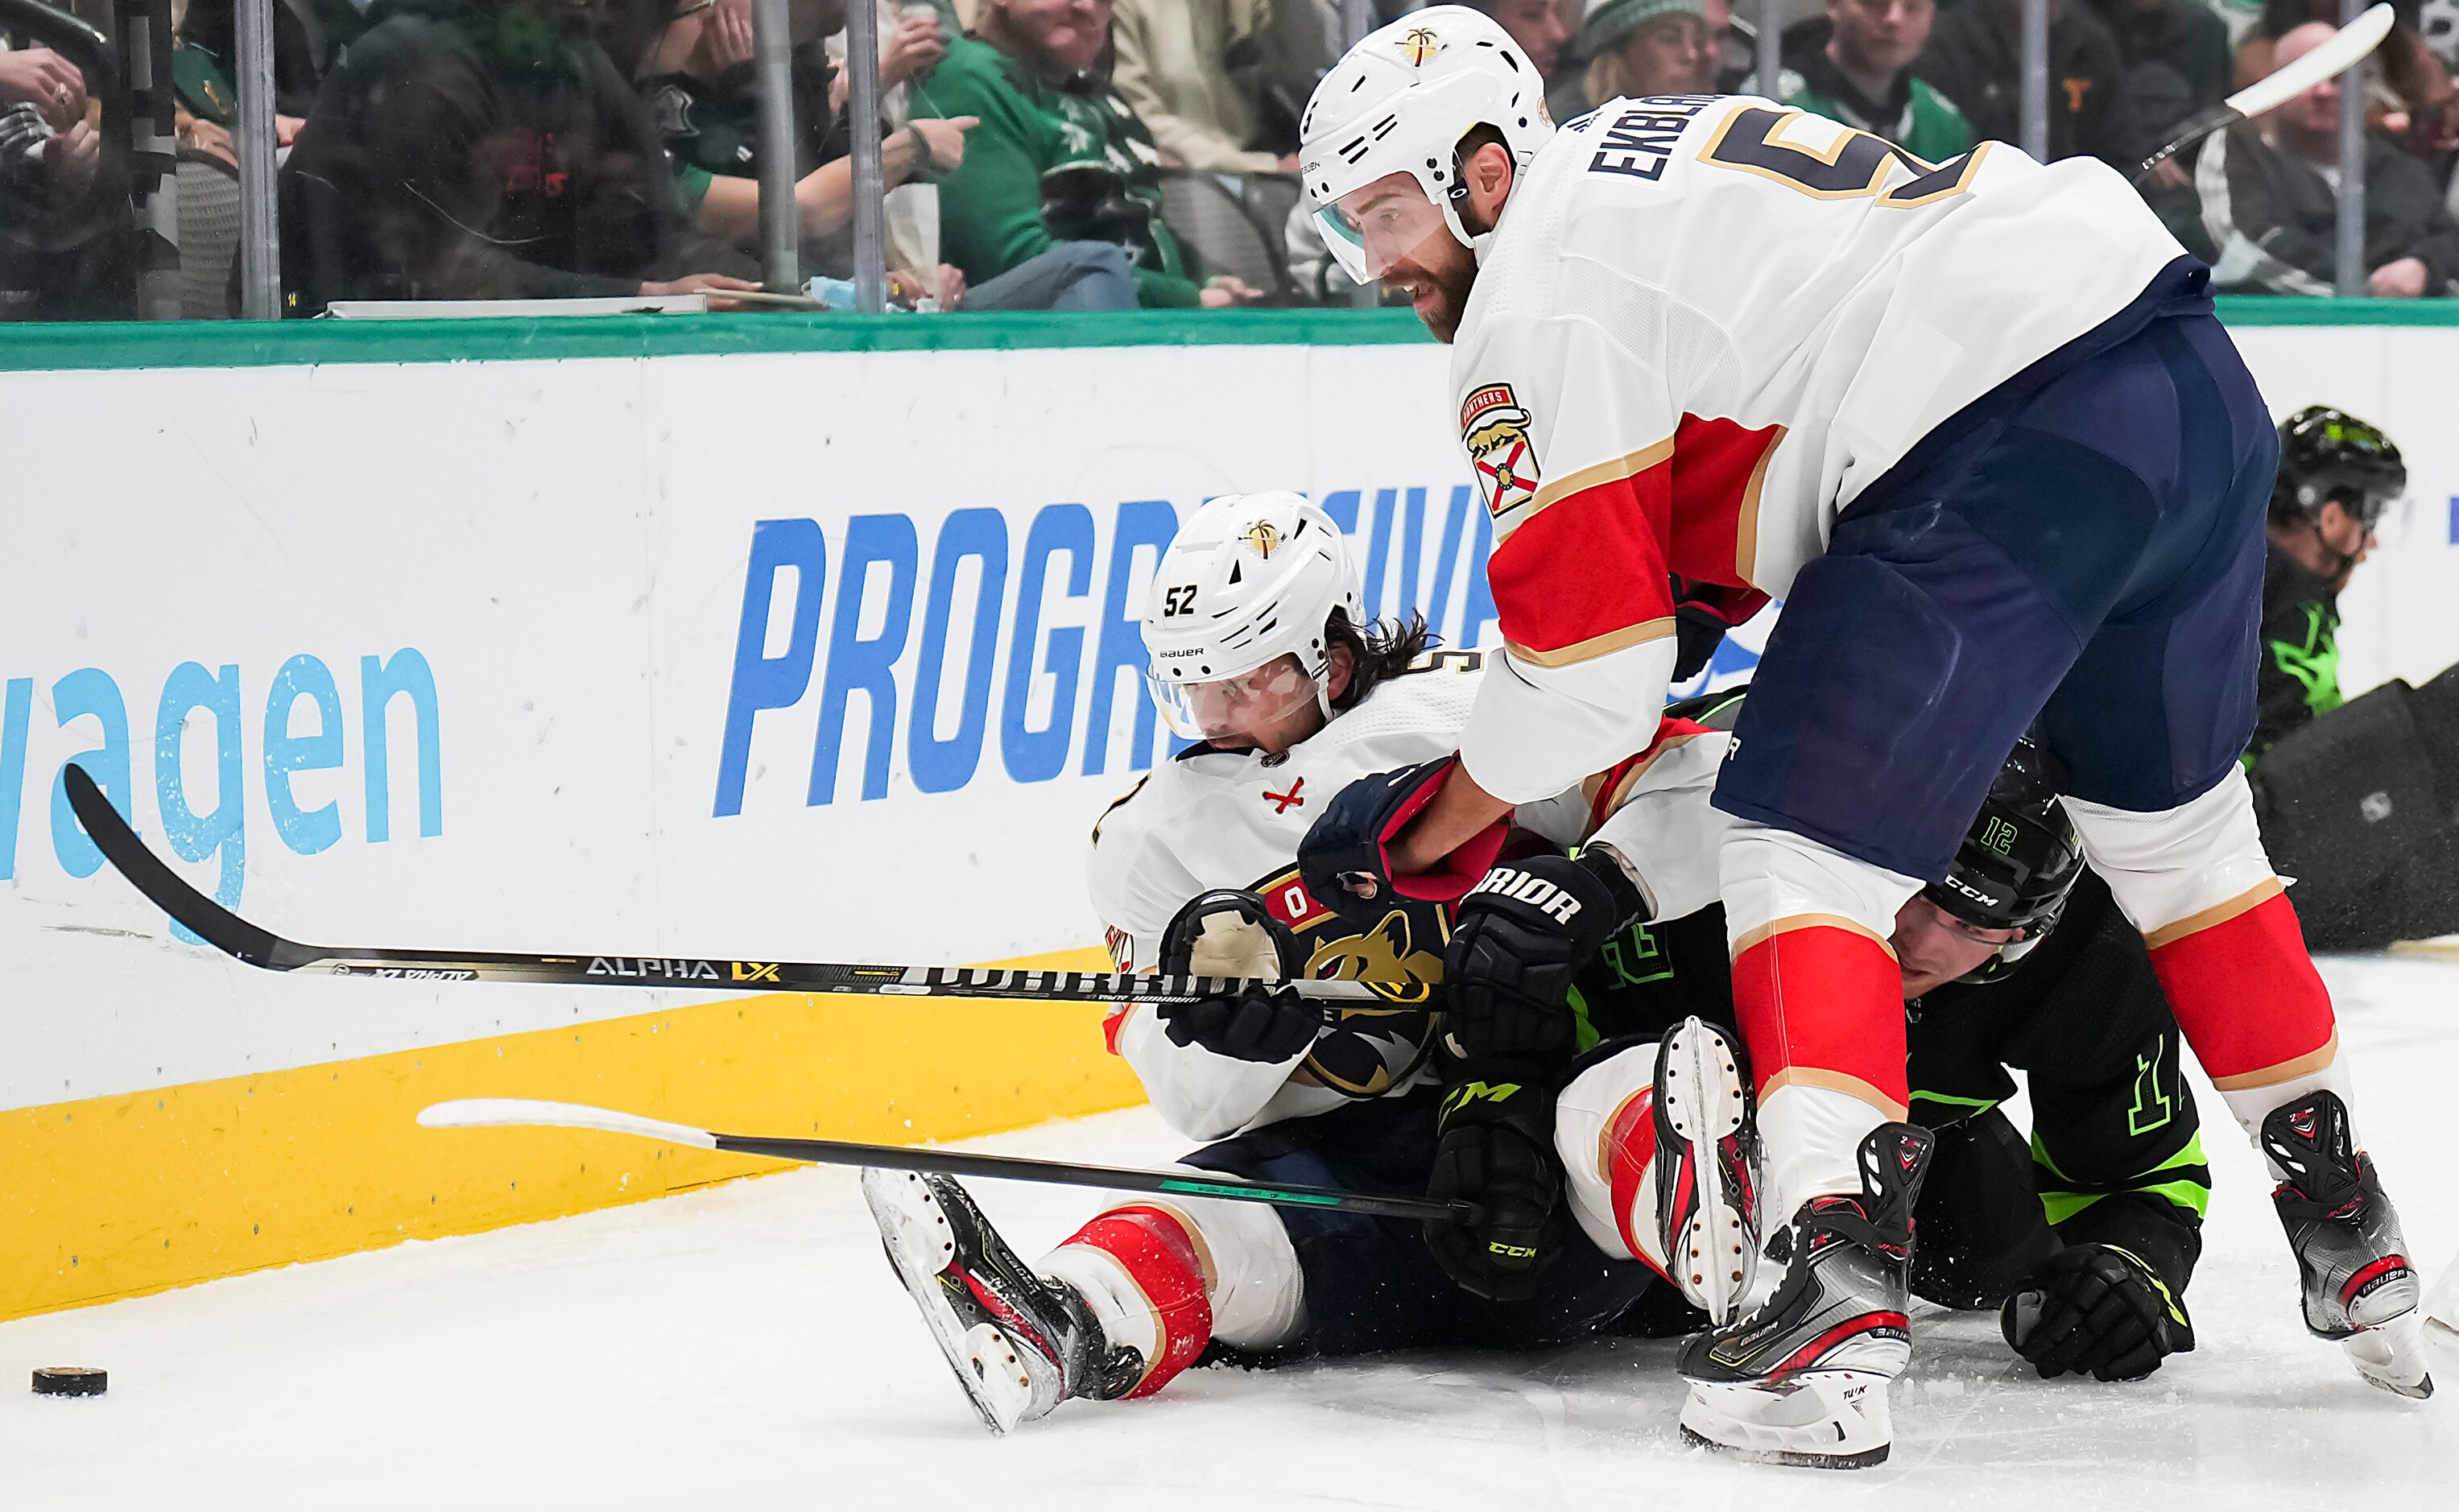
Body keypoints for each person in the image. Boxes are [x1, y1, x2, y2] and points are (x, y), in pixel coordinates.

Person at [1294, 3, 2426, 1466]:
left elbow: (1582, 682)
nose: (1377, 260)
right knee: (2182, 838)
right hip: (2186, 386)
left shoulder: (1528, 304)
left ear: (1480, 169)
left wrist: (1411, 837)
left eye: (1385, 211)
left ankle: (1824, 1300)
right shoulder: (1644, 165)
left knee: (1793, 840)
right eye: (1349, 225)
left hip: (1999, 424)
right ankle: (2359, 1243)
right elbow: (1717, 509)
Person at [860, 492, 1753, 1431]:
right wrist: (1235, 1040)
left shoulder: (1480, 710)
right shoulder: (1149, 843)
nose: (1215, 712)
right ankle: (1063, 1326)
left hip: (1554, 1136)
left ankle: (1733, 1245)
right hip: (1376, 1190)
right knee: (1212, 1207)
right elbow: (1187, 1098)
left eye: (1246, 680)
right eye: (1191, 685)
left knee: (1625, 1093)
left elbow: (1717, 785)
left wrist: (1606, 878)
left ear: (1329, 650)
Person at [1537, 694, 2211, 1392]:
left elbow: (2143, 1177)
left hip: (1927, 1152)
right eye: (1918, 885)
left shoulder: (2091, 950)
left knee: (1999, 1260)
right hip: (1621, 1134)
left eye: (1977, 925)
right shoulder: (1719, 845)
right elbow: (1542, 974)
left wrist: (2128, 1269)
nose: (1919, 942)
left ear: (2030, 934)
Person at [276, 0, 760, 311]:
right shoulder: (420, 66)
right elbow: (446, 276)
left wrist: (760, 294)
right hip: (329, 350)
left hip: (509, 342)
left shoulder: (574, 60)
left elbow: (662, 232)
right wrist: (647, 295)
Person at [2246, 407, 2459, 951]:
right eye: (2371, 518)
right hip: (2254, 848)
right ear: (2333, 514)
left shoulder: (2266, 584)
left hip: (2283, 884)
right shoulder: (2266, 581)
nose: (2370, 544)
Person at [910, 0, 1262, 308]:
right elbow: (1011, 261)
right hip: (1040, 347)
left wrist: (1207, 285)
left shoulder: (1102, 97)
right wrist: (1187, 299)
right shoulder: (970, 80)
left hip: (1148, 328)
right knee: (1093, 266)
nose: (1089, 9)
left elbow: (1140, 221)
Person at [2189, 22, 2459, 297]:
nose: (2323, 91)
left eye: (2338, 79)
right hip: (2280, 325)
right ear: (2274, 84)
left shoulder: (2396, 166)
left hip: (2408, 331)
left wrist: (2423, 267)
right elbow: (2247, 246)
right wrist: (2363, 293)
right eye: (2307, 77)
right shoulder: (2241, 149)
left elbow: (2448, 240)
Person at [1108, 0, 1331, 174]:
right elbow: (1139, 122)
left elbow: (1302, 63)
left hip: (1249, 164)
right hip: (1181, 182)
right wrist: (1259, 166)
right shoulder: (1120, 8)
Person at [1916, 0, 2143, 169]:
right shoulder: (1947, 47)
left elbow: (2119, 155)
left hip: (2072, 212)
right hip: (1978, 212)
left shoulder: (2090, 47)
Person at [1771, 0, 1974, 160]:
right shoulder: (1779, 106)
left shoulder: (1944, 124)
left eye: (1912, 7)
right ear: (1833, 3)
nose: (1894, 19)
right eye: (1872, 3)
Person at [1576, 0, 1721, 105]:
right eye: (1669, 38)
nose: (1691, 55)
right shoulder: (1570, 137)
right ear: (1617, 54)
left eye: (1697, 40)